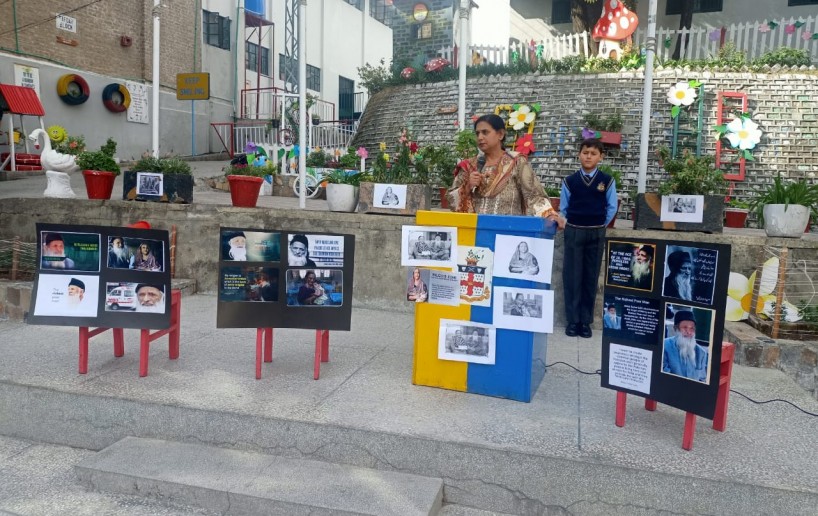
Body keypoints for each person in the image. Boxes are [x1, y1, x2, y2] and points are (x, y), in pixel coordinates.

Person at [447, 114, 563, 224]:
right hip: (475, 231)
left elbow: (533, 195)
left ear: (501, 135)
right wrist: (467, 186)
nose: (480, 137)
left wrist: (549, 215)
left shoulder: (517, 162)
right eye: (477, 133)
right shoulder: (469, 166)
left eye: (485, 132)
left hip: (507, 231)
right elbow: (451, 200)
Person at [560, 138, 617, 339]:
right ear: (579, 155)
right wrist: (568, 224)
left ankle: (585, 322)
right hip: (574, 231)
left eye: (593, 154)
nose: (588, 157)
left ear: (601, 157)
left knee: (590, 277)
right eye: (585, 153)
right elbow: (563, 208)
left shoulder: (607, 181)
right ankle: (572, 321)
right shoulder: (570, 181)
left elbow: (612, 207)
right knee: (572, 276)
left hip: (596, 232)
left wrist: (600, 224)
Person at [662, 310, 709, 382]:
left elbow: (702, 379)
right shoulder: (665, 346)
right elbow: (664, 377)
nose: (689, 332)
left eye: (692, 328)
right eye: (685, 327)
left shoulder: (701, 352)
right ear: (675, 328)